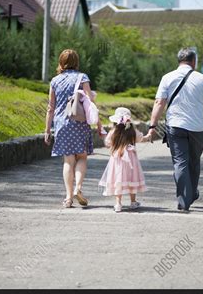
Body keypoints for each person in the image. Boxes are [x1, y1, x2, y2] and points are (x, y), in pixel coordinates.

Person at [148, 48, 203, 212]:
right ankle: (189, 194)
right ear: (194, 62)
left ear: (179, 61)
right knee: (194, 162)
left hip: (175, 126)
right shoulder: (202, 79)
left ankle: (185, 198)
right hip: (198, 128)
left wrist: (152, 126)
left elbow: (159, 103)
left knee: (180, 163)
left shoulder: (167, 78)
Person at [44, 49, 103, 208]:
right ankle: (78, 188)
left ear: (61, 62)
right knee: (82, 157)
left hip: (62, 123)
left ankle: (68, 198)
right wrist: (98, 125)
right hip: (79, 122)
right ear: (76, 62)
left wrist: (47, 130)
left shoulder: (55, 81)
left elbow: (51, 107)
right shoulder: (82, 77)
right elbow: (90, 103)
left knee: (68, 161)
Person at [99, 108, 152, 213]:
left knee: (118, 178)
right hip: (131, 158)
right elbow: (141, 138)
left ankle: (118, 203)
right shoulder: (132, 131)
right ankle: (133, 202)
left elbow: (107, 143)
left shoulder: (113, 131)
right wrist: (148, 136)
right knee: (131, 178)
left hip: (117, 158)